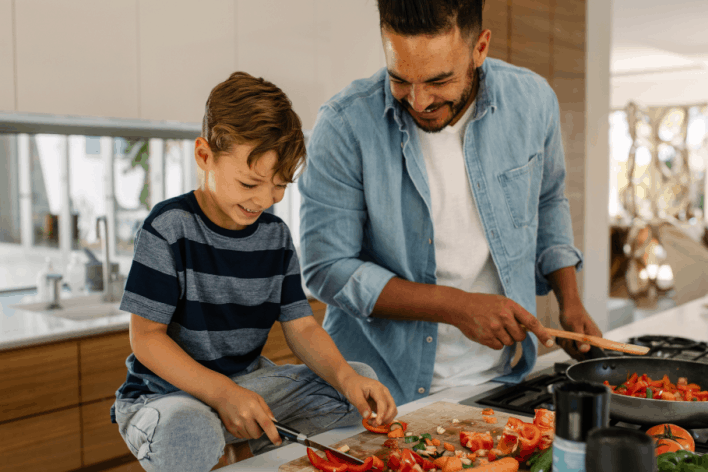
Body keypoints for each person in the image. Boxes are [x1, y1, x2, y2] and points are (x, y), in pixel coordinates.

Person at [298, 0, 602, 406]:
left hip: (500, 382)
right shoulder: (344, 124)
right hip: (375, 392)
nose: (418, 101)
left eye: (438, 81)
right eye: (400, 79)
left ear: (480, 48)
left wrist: (570, 301)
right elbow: (325, 269)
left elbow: (547, 200)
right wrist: (457, 306)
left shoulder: (532, 102)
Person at [110, 71, 397, 472]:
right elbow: (146, 340)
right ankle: (225, 446)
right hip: (165, 397)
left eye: (279, 185)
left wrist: (346, 379)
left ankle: (238, 452)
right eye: (250, 183)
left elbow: (302, 328)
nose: (265, 199)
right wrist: (221, 392)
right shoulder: (169, 227)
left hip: (246, 385)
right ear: (205, 156)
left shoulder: (275, 237)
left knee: (355, 384)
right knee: (190, 431)